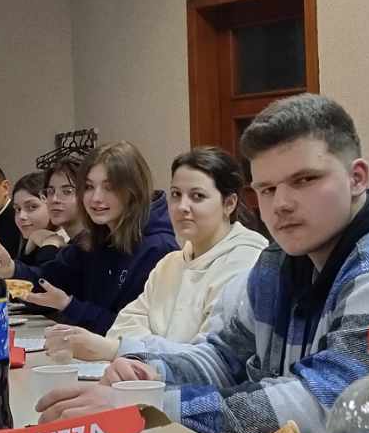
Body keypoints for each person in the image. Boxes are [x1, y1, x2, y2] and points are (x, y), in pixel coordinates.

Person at [37, 95, 369, 433]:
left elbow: (330, 402)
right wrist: (150, 375)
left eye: (305, 180)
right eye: (267, 189)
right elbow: (223, 357)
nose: (281, 204)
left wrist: (155, 408)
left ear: (357, 178)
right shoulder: (280, 260)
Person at [35, 147, 269, 360]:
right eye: (176, 194)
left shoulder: (247, 262)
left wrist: (128, 347)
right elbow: (121, 328)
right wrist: (150, 346)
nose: (182, 207)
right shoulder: (170, 263)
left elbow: (210, 359)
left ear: (229, 203)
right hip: (146, 380)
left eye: (197, 196)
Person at [4, 141, 177, 335]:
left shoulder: (159, 248)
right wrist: (12, 269)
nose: (96, 198)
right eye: (88, 187)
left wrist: (69, 305)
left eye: (109, 187)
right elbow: (49, 281)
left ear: (133, 190)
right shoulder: (93, 239)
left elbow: (136, 333)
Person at [8, 170, 67, 267]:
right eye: (18, 209)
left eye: (32, 207)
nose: (21, 216)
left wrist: (49, 245)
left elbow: (48, 274)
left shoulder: (75, 247)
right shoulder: (32, 243)